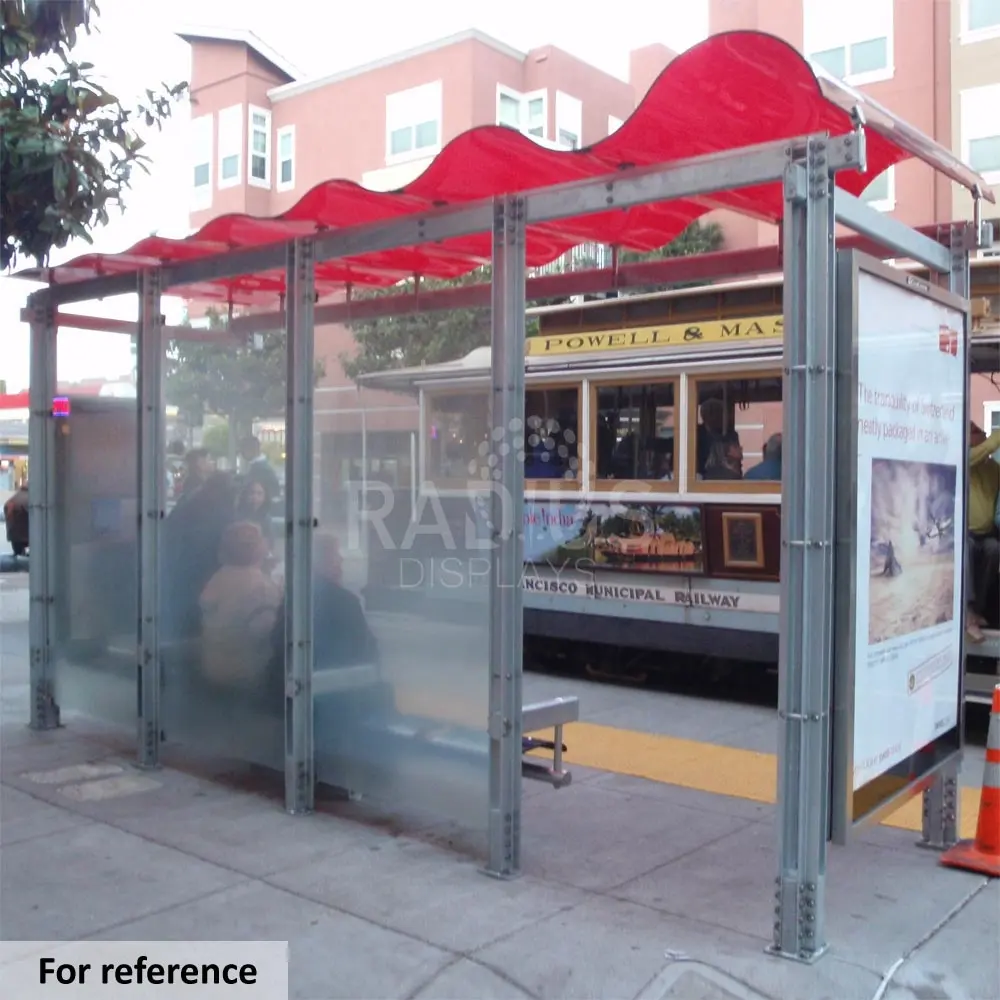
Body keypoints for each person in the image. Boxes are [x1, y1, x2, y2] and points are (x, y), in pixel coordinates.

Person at [199, 520, 282, 692]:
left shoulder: (219, 576)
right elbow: (268, 633)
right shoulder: (262, 587)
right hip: (248, 674)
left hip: (213, 666)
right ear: (257, 547)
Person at [967, 421, 1000, 643]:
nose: (984, 435)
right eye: (978, 431)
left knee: (993, 549)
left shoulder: (993, 469)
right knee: (966, 549)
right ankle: (967, 613)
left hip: (987, 534)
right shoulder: (963, 458)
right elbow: (979, 453)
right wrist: (996, 437)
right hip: (965, 534)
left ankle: (977, 612)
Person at [695, 398, 741, 478]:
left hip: (726, 477)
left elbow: (737, 459)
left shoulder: (731, 434)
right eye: (720, 413)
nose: (725, 417)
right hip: (700, 480)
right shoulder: (694, 433)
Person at [239, 436, 280, 512]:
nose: (241, 454)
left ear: (252, 450)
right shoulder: (262, 467)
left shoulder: (261, 469)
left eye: (243, 450)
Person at [236, 479, 275, 553]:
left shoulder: (266, 518)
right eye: (251, 493)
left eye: (259, 493)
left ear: (265, 497)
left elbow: (270, 544)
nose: (255, 497)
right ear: (245, 495)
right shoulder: (237, 515)